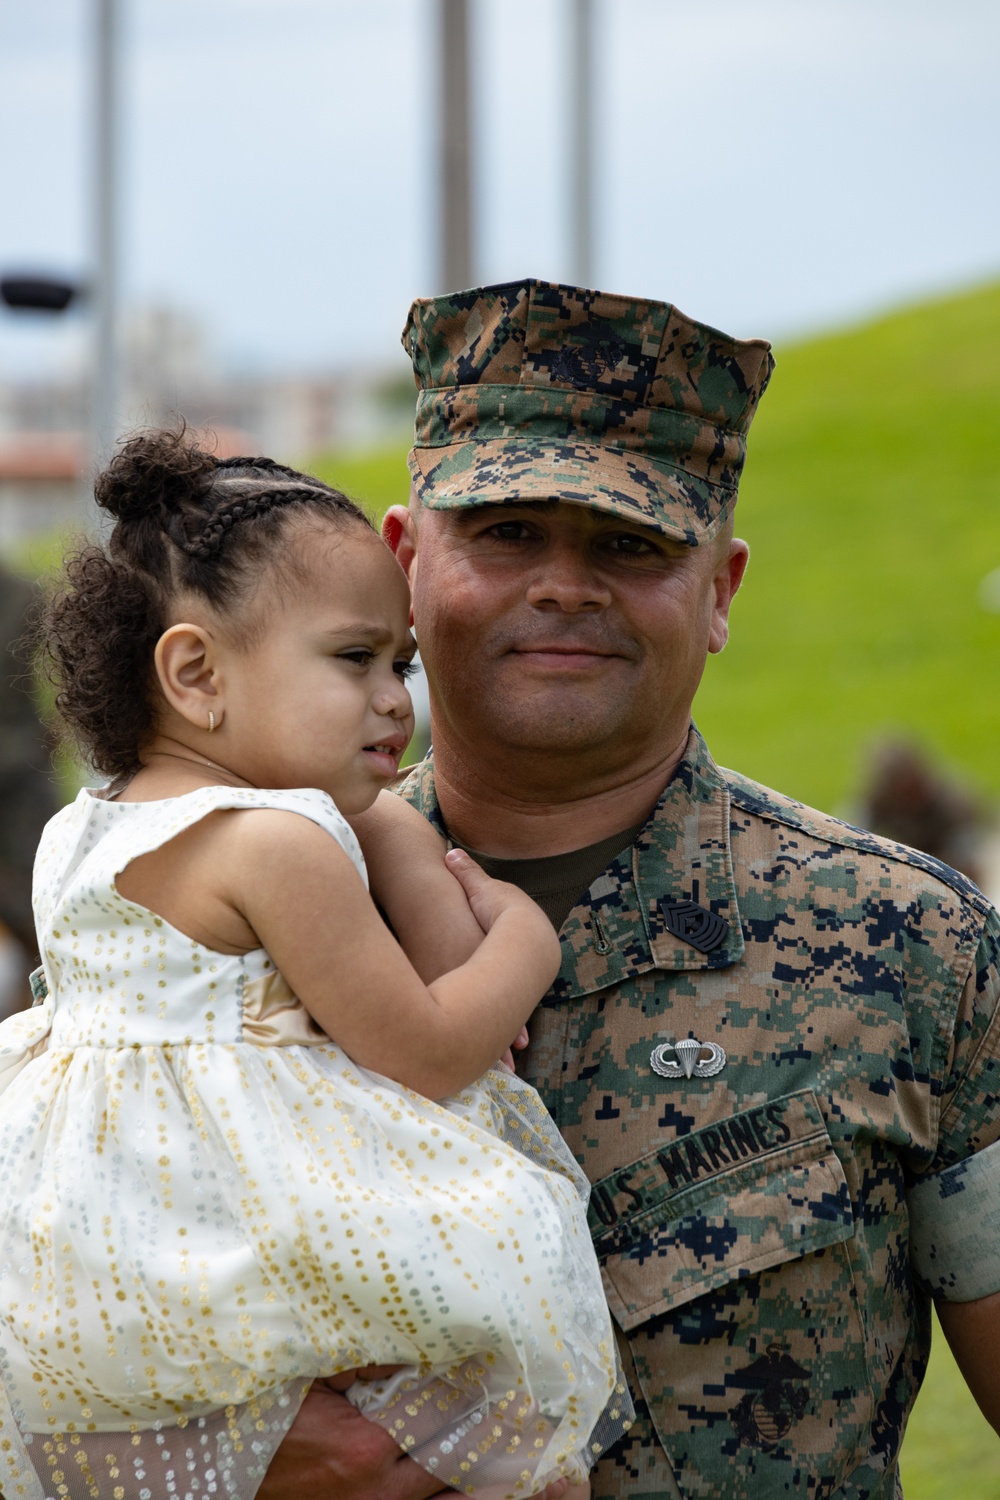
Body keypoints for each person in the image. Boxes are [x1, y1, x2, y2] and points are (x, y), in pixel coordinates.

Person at [259, 278, 1000, 1500]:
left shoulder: (909, 946)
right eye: (503, 533)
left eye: (631, 544)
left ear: (721, 590)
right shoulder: (218, 925)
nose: (563, 585)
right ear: (402, 563)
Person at [0, 429, 633, 1500]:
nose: (396, 702)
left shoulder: (85, 825)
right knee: (528, 1462)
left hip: (103, 1278)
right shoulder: (276, 844)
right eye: (355, 660)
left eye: (403, 665)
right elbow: (430, 1053)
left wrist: (383, 827)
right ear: (195, 671)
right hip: (265, 1248)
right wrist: (528, 937)